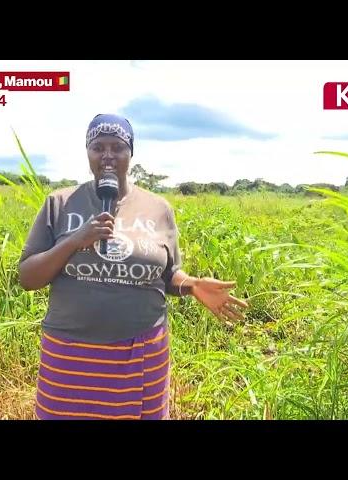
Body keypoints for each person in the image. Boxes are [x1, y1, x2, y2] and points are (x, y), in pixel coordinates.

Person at [18, 113, 248, 420]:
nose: (108, 156)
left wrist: (191, 285)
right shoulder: (60, 203)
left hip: (140, 352)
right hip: (69, 352)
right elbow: (28, 277)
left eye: (118, 147)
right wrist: (75, 240)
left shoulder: (158, 208)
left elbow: (167, 274)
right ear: (88, 152)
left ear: (131, 153)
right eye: (98, 147)